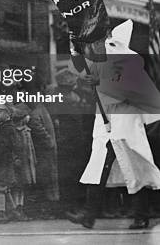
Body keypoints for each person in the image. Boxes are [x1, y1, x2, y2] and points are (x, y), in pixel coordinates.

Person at [66, 20, 160, 230]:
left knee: (136, 170)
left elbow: (127, 91)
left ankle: (141, 215)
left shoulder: (130, 63)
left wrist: (99, 83)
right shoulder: (104, 59)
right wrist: (74, 48)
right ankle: (89, 214)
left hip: (125, 124)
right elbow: (81, 68)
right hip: (105, 123)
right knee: (98, 165)